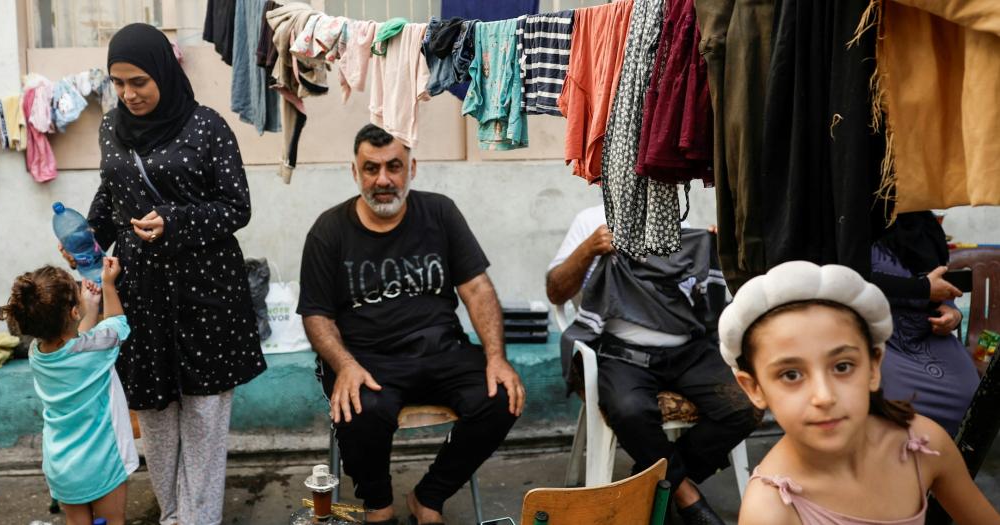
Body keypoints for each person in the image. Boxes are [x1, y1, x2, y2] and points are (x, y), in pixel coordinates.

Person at [62, 23, 266, 525]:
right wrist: (87, 238)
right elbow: (112, 194)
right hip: (143, 295)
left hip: (206, 298)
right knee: (153, 415)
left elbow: (236, 208)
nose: (128, 94)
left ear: (164, 75)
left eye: (139, 82)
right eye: (119, 82)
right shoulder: (111, 127)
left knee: (202, 420)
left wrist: (175, 220)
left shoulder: (207, 126)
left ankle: (198, 519)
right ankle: (174, 514)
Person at [297, 124, 524, 525]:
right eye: (371, 168)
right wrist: (345, 365)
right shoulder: (329, 231)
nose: (383, 180)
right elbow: (317, 315)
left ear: (411, 168)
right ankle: (379, 509)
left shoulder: (440, 212)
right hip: (367, 359)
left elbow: (476, 289)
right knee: (360, 410)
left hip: (441, 351)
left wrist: (496, 357)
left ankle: (429, 496)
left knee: (502, 395)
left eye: (393, 166)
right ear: (355, 173)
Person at [720, 261, 999, 524]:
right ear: (754, 388)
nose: (824, 396)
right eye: (790, 375)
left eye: (842, 366)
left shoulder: (923, 445)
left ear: (874, 366)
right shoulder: (770, 509)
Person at [547, 205, 756, 524]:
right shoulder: (591, 219)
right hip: (622, 354)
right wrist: (589, 248)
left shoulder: (682, 223)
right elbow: (555, 291)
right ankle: (687, 495)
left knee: (746, 405)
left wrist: (718, 251)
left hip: (689, 349)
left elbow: (708, 296)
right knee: (629, 410)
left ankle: (654, 481)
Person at [0, 258, 135, 525]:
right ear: (73, 313)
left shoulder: (37, 354)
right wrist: (108, 284)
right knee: (113, 521)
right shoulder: (97, 348)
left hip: (62, 465)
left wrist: (88, 308)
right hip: (102, 460)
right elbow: (118, 324)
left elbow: (72, 345)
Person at [870, 211, 978, 436]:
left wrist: (953, 314)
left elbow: (941, 283)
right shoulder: (853, 230)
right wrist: (921, 288)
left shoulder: (925, 227)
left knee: (970, 395)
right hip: (880, 338)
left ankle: (942, 466)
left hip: (929, 334)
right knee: (899, 405)